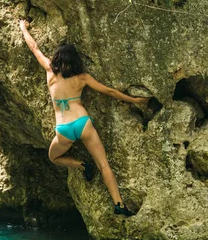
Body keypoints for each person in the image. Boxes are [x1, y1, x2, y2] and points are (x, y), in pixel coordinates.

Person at [19, 19, 149, 216]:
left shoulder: (49, 71)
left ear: (57, 58)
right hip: (82, 123)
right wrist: (134, 100)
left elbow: (34, 47)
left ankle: (80, 165)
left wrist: (22, 27)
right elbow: (110, 91)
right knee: (104, 164)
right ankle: (119, 204)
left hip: (63, 129)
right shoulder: (82, 78)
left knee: (54, 157)